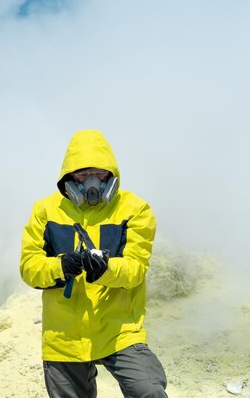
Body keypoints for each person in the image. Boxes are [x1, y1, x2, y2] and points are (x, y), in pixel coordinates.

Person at [20, 129, 168, 398]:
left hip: (120, 330)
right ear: (68, 176)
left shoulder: (135, 209)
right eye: (82, 174)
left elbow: (135, 269)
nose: (91, 182)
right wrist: (61, 267)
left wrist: (106, 270)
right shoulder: (45, 210)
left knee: (148, 391)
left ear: (111, 174)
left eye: (99, 174)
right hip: (64, 338)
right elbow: (29, 268)